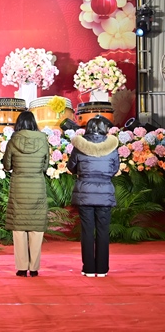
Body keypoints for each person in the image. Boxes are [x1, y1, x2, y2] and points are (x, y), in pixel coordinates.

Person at [67, 116, 119, 278]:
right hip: (105, 194)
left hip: (85, 193)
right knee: (103, 231)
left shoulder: (80, 146)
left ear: (88, 128)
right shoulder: (111, 147)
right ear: (104, 129)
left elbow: (71, 167)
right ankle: (102, 269)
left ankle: (88, 268)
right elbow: (114, 170)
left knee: (87, 231)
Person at [2, 111, 50, 277]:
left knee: (19, 227)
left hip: (19, 187)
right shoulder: (43, 140)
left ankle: (22, 267)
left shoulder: (13, 140)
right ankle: (34, 268)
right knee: (36, 227)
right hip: (37, 186)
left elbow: (7, 165)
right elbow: (45, 166)